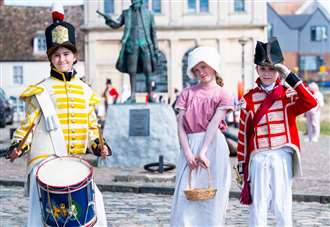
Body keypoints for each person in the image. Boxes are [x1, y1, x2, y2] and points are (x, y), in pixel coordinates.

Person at [6, 3, 111, 226]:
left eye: (66, 54)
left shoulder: (85, 92)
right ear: (50, 59)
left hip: (72, 163)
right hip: (45, 162)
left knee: (96, 208)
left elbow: (92, 127)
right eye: (56, 55)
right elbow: (28, 127)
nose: (62, 59)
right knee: (40, 217)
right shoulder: (41, 90)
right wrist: (18, 146)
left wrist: (99, 146)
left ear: (74, 56)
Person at [236, 37, 317, 227]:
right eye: (263, 68)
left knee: (282, 205)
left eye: (272, 69)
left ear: (278, 70)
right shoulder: (248, 99)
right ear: (257, 69)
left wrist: (289, 75)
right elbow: (243, 136)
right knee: (258, 207)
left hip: (282, 155)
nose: (267, 73)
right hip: (258, 157)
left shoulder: (288, 95)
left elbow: (311, 101)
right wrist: (242, 167)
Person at [170, 46, 233, 226]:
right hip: (189, 143)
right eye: (197, 69)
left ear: (213, 66)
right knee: (185, 193)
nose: (201, 72)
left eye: (204, 67)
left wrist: (202, 151)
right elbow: (180, 125)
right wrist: (188, 152)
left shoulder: (223, 94)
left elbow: (214, 124)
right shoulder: (187, 93)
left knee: (212, 194)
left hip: (213, 145)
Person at [97, 0, 159, 103]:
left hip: (145, 45)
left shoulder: (149, 14)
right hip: (131, 45)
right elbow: (117, 24)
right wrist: (108, 19)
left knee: (148, 71)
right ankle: (133, 96)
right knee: (132, 72)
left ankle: (150, 95)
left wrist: (156, 49)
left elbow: (153, 33)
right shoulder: (126, 13)